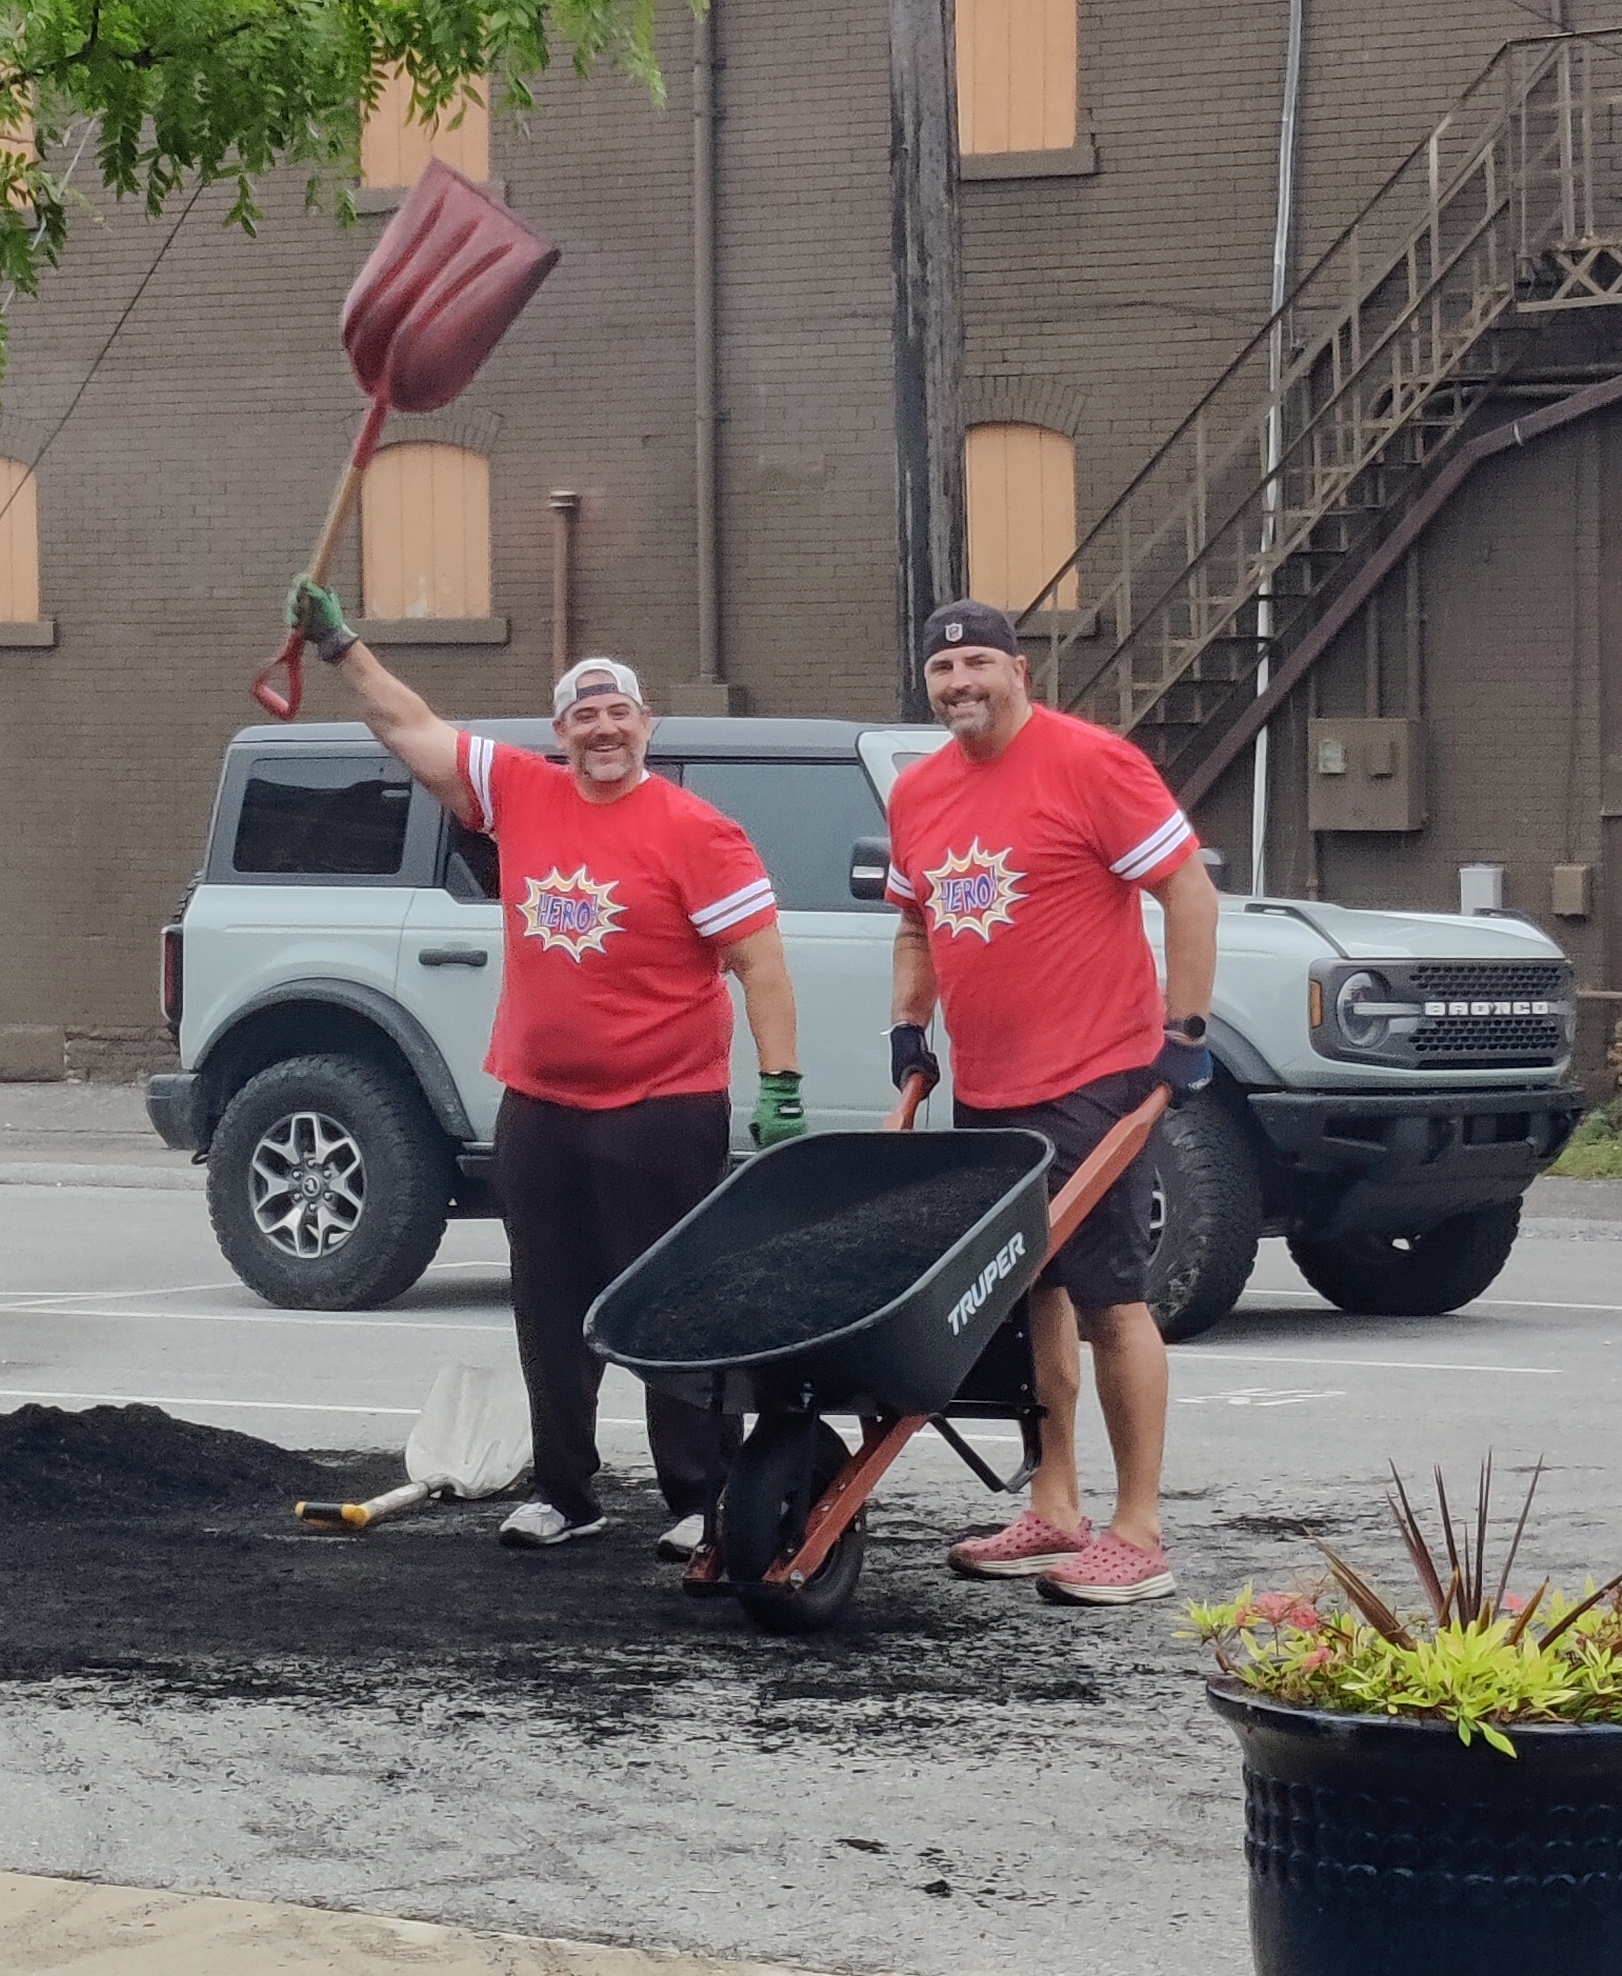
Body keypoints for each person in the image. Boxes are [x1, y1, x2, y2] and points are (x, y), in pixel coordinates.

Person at [287, 580, 802, 1554]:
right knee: (549, 1298)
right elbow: (410, 725)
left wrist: (781, 1085)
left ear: (646, 724)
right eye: (585, 714)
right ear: (560, 731)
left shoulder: (698, 831)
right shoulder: (520, 790)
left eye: (618, 711)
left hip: (662, 1104)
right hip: (542, 1104)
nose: (603, 728)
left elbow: (761, 964)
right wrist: (340, 643)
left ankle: (700, 1498)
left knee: (671, 1299)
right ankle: (568, 1491)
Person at [884, 600, 1218, 1606]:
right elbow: (915, 922)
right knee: (1036, 1293)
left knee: (1113, 1299)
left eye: (979, 662)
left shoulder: (1092, 762)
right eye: (944, 670)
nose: (960, 684)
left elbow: (1189, 890)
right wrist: (913, 1029)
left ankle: (1140, 1527)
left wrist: (1186, 1031)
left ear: (1019, 669)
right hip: (989, 1085)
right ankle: (1057, 1502)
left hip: (1094, 1078)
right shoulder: (919, 792)